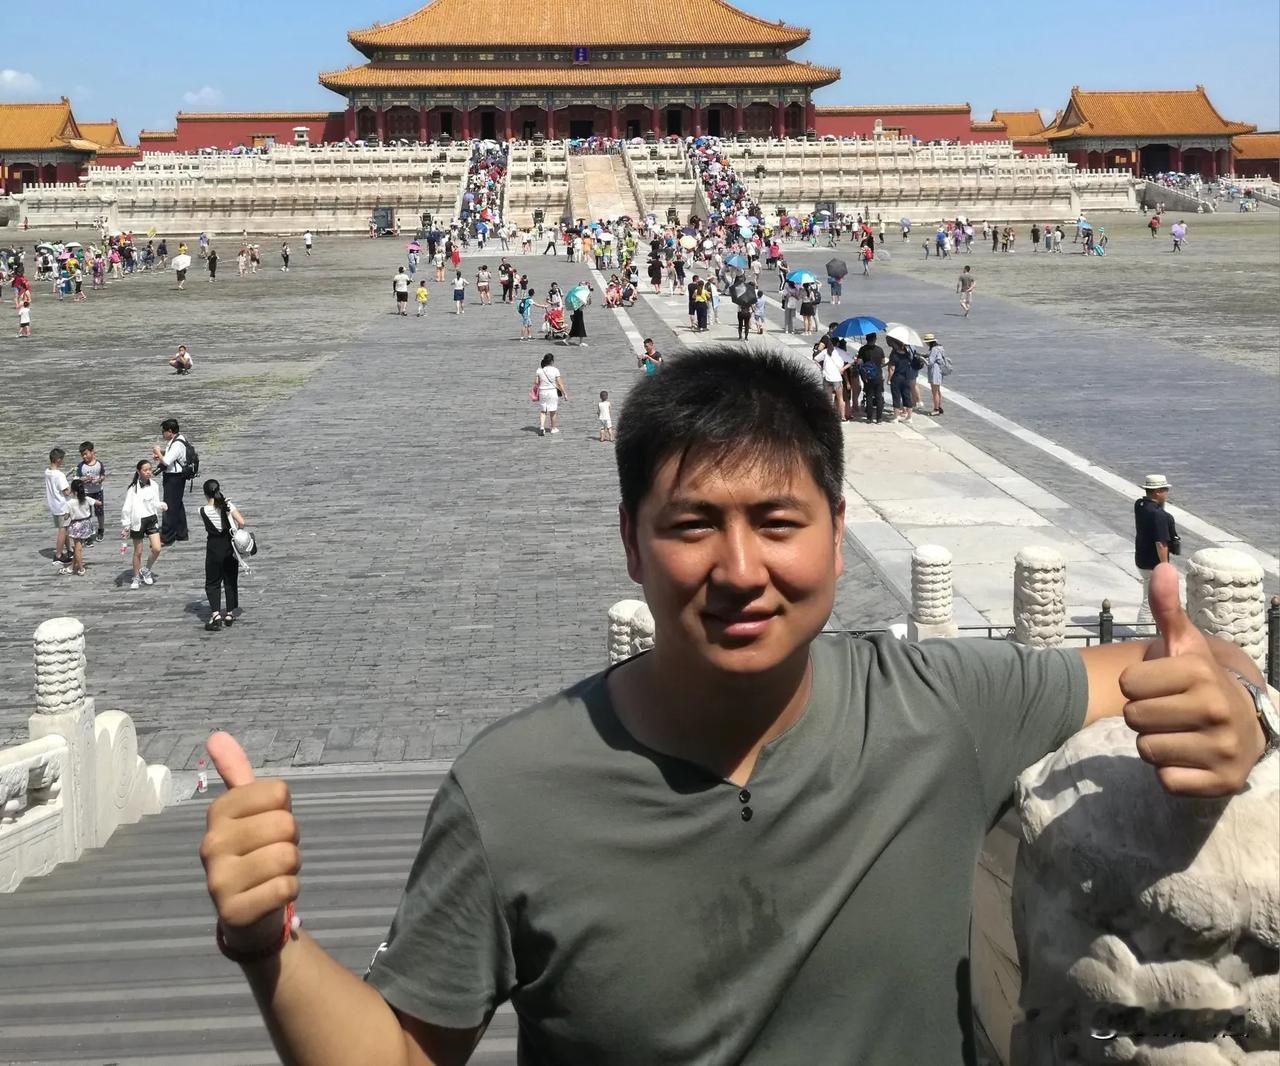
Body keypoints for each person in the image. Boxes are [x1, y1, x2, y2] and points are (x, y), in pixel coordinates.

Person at [200, 349, 1271, 1066]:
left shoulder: (942, 706)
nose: (740, 568)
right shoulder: (510, 792)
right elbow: (399, 1053)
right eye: (691, 524)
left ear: (838, 536)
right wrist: (268, 941)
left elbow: (1190, 659)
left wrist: (1231, 707)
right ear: (630, 543)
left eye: (777, 520)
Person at [201, 478, 248, 632]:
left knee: (212, 582)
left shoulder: (202, 510)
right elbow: (242, 522)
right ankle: (229, 613)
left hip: (213, 547)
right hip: (229, 546)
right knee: (230, 579)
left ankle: (215, 615)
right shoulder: (228, 505)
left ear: (205, 494)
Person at [1134, 474, 1180, 626]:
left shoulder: (1140, 505)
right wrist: (1165, 566)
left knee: (1150, 598)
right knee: (1149, 602)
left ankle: (1152, 630)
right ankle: (1142, 634)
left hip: (1141, 558)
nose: (1167, 492)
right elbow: (1161, 544)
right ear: (1157, 492)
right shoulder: (1158, 515)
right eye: (1165, 489)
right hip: (1153, 564)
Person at [121, 459, 164, 588]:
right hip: (138, 521)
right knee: (138, 551)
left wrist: (161, 505)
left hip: (151, 519)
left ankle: (146, 569)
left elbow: (155, 502)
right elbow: (127, 507)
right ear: (139, 471)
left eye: (150, 469)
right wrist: (126, 526)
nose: (148, 472)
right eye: (145, 470)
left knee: (157, 548)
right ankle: (136, 577)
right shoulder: (133, 489)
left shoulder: (154, 485)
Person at [154, 417, 192, 544]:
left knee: (169, 507)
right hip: (176, 476)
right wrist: (161, 453)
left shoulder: (177, 443)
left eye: (163, 431)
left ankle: (167, 537)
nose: (162, 434)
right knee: (177, 505)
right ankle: (181, 533)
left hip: (174, 477)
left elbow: (166, 461)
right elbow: (172, 455)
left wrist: (158, 452)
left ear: (170, 431)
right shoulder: (178, 439)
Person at [45, 447, 72, 572]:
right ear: (58, 459)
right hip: (62, 506)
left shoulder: (47, 472)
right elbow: (66, 492)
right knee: (63, 530)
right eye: (62, 459)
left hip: (53, 505)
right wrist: (75, 482)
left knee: (64, 529)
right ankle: (58, 555)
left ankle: (69, 550)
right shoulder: (59, 475)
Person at [63, 477, 95, 576]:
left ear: (72, 490)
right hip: (86, 524)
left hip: (76, 525)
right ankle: (71, 567)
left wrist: (65, 515)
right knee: (79, 546)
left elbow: (66, 516)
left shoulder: (70, 503)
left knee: (77, 548)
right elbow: (98, 503)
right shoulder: (86, 499)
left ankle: (80, 568)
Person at [77, 440, 106, 541]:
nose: (84, 456)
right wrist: (83, 479)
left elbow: (103, 475)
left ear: (92, 452)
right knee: (86, 513)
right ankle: (88, 532)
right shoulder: (81, 466)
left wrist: (100, 479)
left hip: (98, 491)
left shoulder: (99, 464)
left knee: (99, 512)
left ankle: (101, 529)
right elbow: (76, 478)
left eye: (86, 454)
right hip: (86, 492)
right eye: (82, 455)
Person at [534, 352, 567, 436]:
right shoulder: (555, 370)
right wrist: (565, 393)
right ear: (552, 361)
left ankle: (542, 427)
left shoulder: (539, 370)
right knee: (553, 411)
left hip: (542, 392)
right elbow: (560, 383)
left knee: (543, 411)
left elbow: (536, 382)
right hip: (552, 392)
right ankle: (553, 428)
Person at [857, 333, 885, 424]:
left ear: (866, 339)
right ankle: (879, 418)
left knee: (869, 396)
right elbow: (883, 362)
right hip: (878, 375)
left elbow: (859, 362)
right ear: (875, 339)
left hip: (868, 376)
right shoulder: (880, 349)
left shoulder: (863, 349)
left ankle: (869, 418)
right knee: (879, 396)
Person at [886, 339, 916, 422]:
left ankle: (896, 416)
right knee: (907, 396)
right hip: (906, 377)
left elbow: (892, 369)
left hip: (897, 377)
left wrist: (889, 379)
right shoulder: (907, 353)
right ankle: (909, 416)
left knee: (896, 396)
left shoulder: (894, 355)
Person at [923, 334, 948, 415]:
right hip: (939, 371)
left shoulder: (934, 349)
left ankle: (936, 409)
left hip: (935, 371)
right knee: (938, 390)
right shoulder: (940, 347)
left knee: (934, 392)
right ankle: (939, 407)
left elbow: (930, 362)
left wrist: (922, 359)